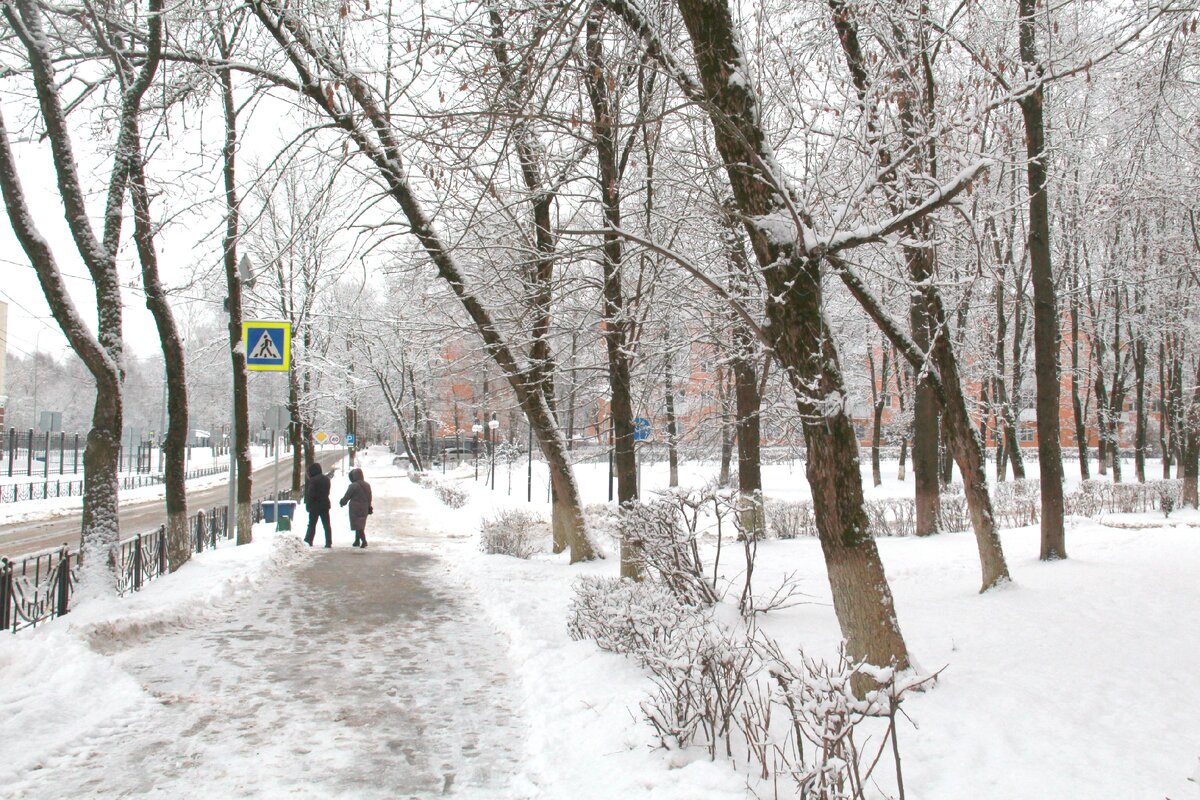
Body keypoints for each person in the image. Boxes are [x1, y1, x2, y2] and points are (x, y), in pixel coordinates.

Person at [340, 467, 374, 548]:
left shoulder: (353, 486)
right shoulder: (367, 485)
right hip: (365, 507)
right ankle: (357, 540)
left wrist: (342, 502)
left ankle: (364, 541)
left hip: (355, 508)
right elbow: (370, 497)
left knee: (357, 525)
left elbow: (347, 496)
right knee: (360, 524)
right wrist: (369, 506)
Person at [303, 462, 333, 547]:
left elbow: (311, 494)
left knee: (312, 524)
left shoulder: (313, 480)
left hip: (315, 506)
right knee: (326, 524)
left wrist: (308, 505)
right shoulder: (326, 479)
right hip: (325, 504)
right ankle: (328, 542)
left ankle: (308, 540)